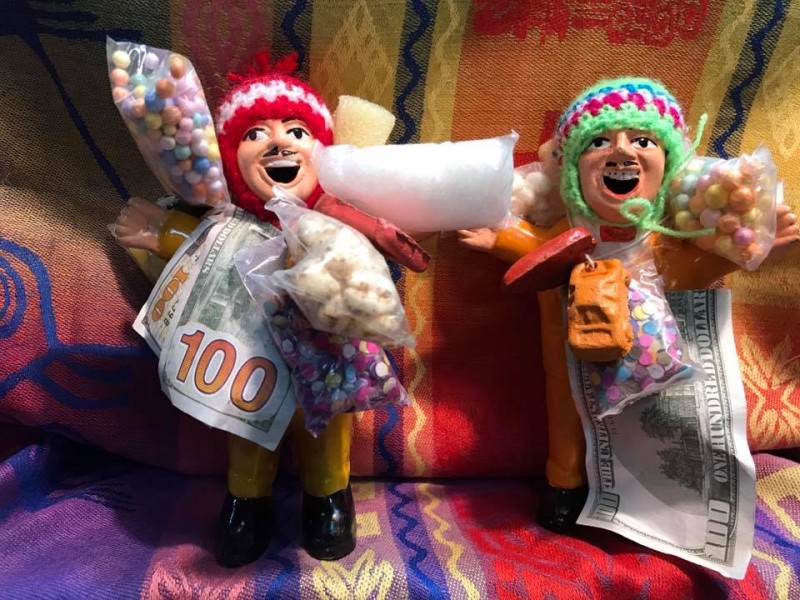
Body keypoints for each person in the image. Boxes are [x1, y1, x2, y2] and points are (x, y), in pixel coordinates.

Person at [458, 77, 800, 532]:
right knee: (566, 417)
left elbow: (687, 273)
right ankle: (564, 484)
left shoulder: (663, 237)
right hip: (568, 354)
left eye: (642, 141)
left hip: (649, 358)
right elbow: (539, 250)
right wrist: (498, 238)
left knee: (645, 426)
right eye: (599, 141)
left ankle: (639, 494)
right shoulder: (568, 226)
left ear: (668, 165)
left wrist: (751, 250)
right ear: (573, 166)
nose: (621, 152)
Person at [114, 55, 357, 566]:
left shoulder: (335, 222)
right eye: (255, 133)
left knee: (325, 433)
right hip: (247, 359)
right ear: (230, 157)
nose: (279, 144)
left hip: (323, 364)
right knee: (246, 431)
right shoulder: (230, 225)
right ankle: (247, 501)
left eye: (296, 131)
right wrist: (159, 231)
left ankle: (329, 499)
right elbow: (198, 247)